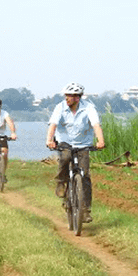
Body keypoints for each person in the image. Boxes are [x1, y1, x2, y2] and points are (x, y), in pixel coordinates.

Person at [46, 82, 105, 222]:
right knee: (65, 157)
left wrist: (100, 141)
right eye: (66, 95)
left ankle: (85, 210)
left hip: (83, 144)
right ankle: (61, 181)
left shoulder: (89, 108)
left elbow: (96, 125)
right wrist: (49, 140)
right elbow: (53, 125)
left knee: (84, 176)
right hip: (65, 143)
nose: (67, 98)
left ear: (77, 98)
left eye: (70, 96)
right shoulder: (59, 107)